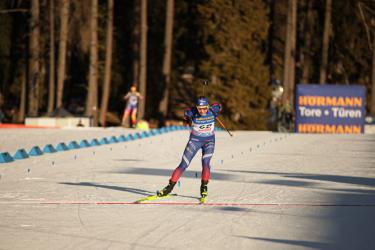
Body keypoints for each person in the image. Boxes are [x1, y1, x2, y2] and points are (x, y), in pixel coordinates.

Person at [157, 96, 222, 202]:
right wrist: (187, 117)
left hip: (209, 142)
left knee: (206, 163)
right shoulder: (192, 112)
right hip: (194, 142)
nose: (202, 111)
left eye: (204, 108)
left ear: (208, 106)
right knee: (183, 164)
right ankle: (168, 188)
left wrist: (215, 108)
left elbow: (218, 106)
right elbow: (187, 112)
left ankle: (204, 187)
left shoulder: (213, 110)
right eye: (199, 108)